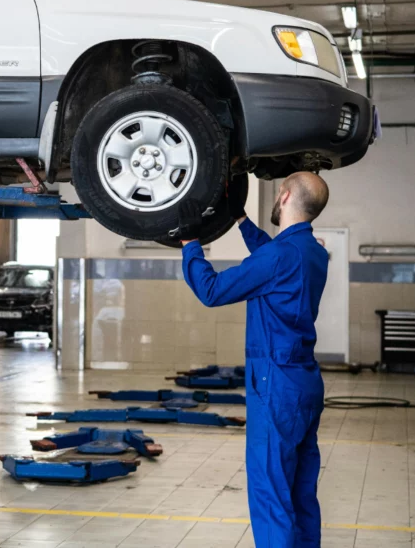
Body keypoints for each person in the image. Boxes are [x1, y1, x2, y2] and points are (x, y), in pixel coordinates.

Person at [173, 172, 330, 548]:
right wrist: (240, 220)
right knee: (301, 494)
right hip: (305, 384)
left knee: (271, 494)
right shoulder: (313, 252)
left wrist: (190, 243)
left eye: (278, 192)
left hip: (275, 386)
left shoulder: (278, 257)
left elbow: (212, 291)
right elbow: (271, 257)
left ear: (286, 194)